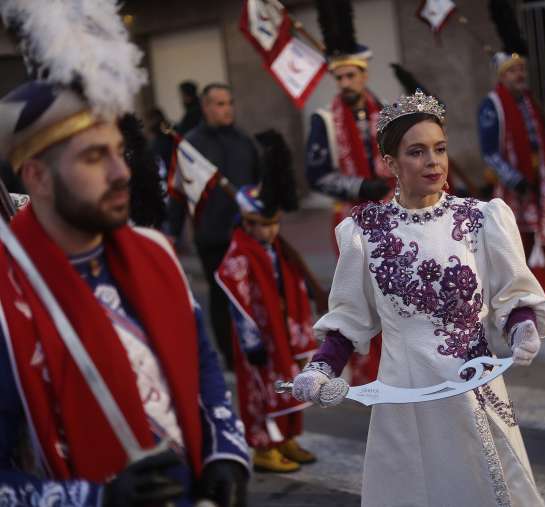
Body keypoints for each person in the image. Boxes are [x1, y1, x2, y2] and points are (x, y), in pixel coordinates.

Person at [292, 90, 545, 506]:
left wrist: (522, 326)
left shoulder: (480, 219)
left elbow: (512, 293)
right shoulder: (364, 232)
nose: (433, 161)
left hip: (475, 389)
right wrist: (320, 369)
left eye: (440, 149)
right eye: (417, 152)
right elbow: (349, 319)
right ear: (392, 163)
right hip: (404, 397)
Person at [0, 79, 251, 506]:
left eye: (119, 151)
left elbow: (200, 360)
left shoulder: (153, 250)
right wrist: (95, 499)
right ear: (37, 176)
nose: (122, 173)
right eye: (95, 157)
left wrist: (225, 452)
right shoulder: (8, 300)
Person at [305, 0, 389, 385]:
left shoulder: (386, 112)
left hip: (390, 214)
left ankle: (395, 362)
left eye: (351, 76)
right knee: (356, 295)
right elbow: (317, 175)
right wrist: (358, 186)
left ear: (363, 74)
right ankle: (362, 369)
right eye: (339, 78)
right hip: (349, 220)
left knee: (392, 290)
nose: (345, 84)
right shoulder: (323, 120)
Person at [216, 185, 318, 473]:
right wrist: (251, 342)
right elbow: (238, 301)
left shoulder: (276, 249)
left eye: (275, 223)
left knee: (290, 384)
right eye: (264, 225)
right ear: (246, 223)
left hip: (283, 332)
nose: (271, 231)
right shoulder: (239, 255)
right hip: (261, 337)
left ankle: (286, 438)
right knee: (262, 391)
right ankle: (264, 446)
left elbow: (292, 282)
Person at [478, 0, 545, 303]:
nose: (519, 75)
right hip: (512, 185)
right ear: (501, 75)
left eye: (521, 69)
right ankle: (516, 291)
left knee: (540, 233)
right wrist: (514, 178)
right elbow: (489, 151)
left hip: (538, 179)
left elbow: (539, 135)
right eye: (513, 70)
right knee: (514, 238)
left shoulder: (529, 101)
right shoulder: (492, 105)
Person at [167, 83, 262, 369]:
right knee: (221, 298)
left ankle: (256, 348)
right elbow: (178, 193)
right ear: (206, 107)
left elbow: (260, 182)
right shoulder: (191, 145)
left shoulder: (244, 141)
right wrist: (172, 233)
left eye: (229, 103)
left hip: (247, 234)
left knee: (252, 294)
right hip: (212, 236)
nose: (227, 109)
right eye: (220, 104)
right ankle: (230, 356)